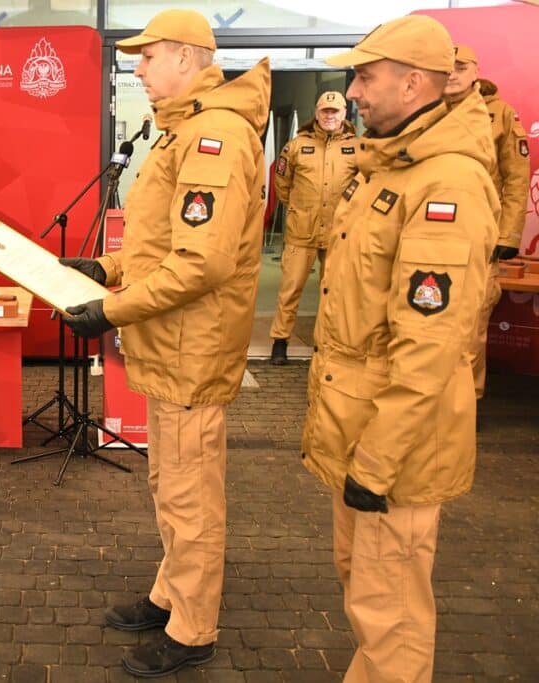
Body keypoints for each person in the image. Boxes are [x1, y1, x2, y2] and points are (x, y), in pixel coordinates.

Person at [61, 8, 270, 678]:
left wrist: (111, 308)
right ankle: (169, 591)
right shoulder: (183, 130)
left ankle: (193, 626)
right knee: (168, 482)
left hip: (192, 347)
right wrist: (109, 269)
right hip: (169, 341)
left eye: (147, 59)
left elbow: (201, 264)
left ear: (187, 57)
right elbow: (162, 245)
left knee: (190, 492)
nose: (139, 70)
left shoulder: (215, 136)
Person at [302, 16, 498, 682]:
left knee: (392, 611)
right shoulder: (388, 163)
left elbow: (430, 347)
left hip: (397, 451)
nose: (351, 92)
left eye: (365, 76)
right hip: (362, 430)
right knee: (366, 590)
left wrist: (378, 463)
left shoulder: (446, 184)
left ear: (414, 82)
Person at [444, 44, 530, 404]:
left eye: (460, 67)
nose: (451, 73)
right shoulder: (425, 111)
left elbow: (516, 177)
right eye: (446, 66)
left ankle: (470, 400)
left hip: (479, 238)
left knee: (473, 326)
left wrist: (509, 233)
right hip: (431, 234)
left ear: (475, 72)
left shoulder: (500, 114)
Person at [269, 91, 357, 365]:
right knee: (290, 288)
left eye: (335, 111)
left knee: (334, 290)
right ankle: (280, 341)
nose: (330, 116)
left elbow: (366, 183)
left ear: (344, 114)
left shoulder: (358, 148)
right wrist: (299, 207)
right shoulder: (296, 146)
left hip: (339, 232)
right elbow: (281, 182)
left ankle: (328, 342)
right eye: (325, 111)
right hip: (301, 231)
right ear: (316, 114)